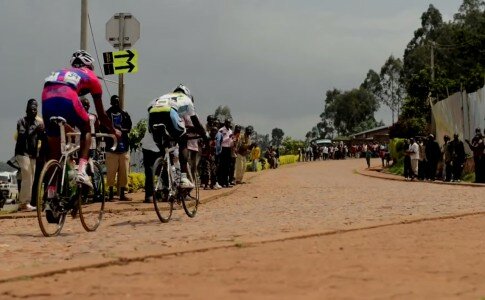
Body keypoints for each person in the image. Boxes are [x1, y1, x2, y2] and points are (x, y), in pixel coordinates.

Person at [41, 50, 120, 190]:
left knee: (55, 153)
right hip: (67, 97)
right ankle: (82, 171)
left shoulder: (63, 72)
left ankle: (51, 192)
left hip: (47, 98)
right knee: (86, 128)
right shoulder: (92, 77)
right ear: (89, 66)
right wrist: (113, 131)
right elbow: (101, 115)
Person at [147, 84, 207, 189]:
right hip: (169, 113)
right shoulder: (186, 100)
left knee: (164, 150)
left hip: (152, 114)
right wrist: (204, 137)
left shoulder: (165, 95)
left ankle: (165, 179)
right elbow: (196, 123)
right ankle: (183, 177)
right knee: (182, 140)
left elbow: (150, 106)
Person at [14, 99, 44, 211]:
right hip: (22, 153)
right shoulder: (21, 121)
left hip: (32, 154)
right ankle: (23, 203)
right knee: (27, 177)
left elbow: (42, 139)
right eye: (31, 109)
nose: (33, 111)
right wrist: (35, 131)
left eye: (35, 109)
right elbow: (22, 137)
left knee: (31, 179)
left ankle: (26, 203)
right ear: (26, 110)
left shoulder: (38, 123)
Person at [105, 95, 132, 201]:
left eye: (117, 102)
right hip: (111, 148)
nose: (116, 104)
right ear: (111, 103)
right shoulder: (106, 114)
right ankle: (111, 195)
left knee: (124, 172)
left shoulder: (124, 114)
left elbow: (129, 128)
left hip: (124, 147)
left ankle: (122, 194)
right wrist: (112, 130)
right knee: (111, 172)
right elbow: (102, 127)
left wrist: (122, 130)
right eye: (114, 102)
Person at [217, 118, 234, 188]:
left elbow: (231, 140)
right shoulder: (221, 130)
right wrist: (228, 138)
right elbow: (219, 140)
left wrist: (233, 140)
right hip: (222, 149)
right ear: (225, 123)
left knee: (227, 166)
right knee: (222, 166)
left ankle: (226, 182)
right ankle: (221, 182)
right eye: (227, 123)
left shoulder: (230, 131)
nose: (228, 124)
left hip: (228, 149)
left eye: (229, 123)